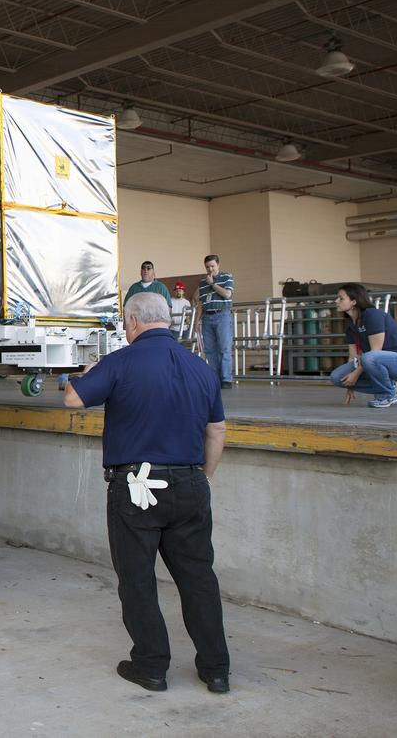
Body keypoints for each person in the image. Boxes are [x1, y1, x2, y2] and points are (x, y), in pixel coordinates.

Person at [63, 292, 230, 694]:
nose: (125, 328)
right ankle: (216, 670)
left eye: (125, 322)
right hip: (191, 482)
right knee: (198, 578)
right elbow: (217, 430)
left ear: (134, 321)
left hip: (137, 487)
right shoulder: (200, 368)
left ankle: (151, 666)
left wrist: (80, 376)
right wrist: (201, 477)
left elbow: (73, 400)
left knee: (138, 580)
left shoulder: (120, 362)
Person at [328, 283, 397, 408]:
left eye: (341, 298)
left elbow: (375, 351)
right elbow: (353, 357)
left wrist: (355, 375)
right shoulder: (350, 325)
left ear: (353, 301)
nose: (336, 301)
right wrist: (350, 385)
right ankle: (389, 386)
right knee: (337, 377)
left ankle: (387, 396)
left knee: (369, 357)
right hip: (375, 361)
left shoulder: (372, 315)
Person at [195, 254, 235, 390]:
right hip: (207, 316)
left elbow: (227, 294)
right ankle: (215, 377)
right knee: (210, 349)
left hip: (222, 314)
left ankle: (226, 379)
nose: (210, 269)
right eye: (207, 267)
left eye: (212, 266)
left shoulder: (226, 277)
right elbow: (201, 302)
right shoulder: (202, 282)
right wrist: (197, 320)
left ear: (218, 265)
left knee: (224, 348)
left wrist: (212, 283)